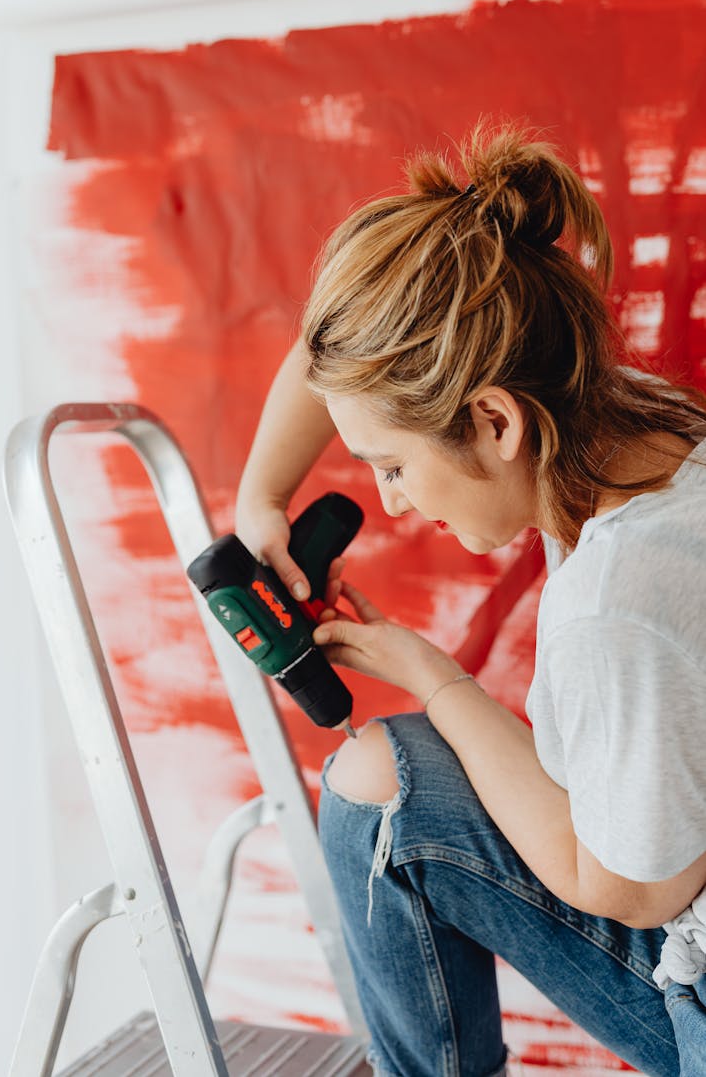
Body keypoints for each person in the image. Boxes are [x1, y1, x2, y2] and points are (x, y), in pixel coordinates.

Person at [235, 124, 706, 1076]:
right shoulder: (640, 418)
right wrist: (261, 501)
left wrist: (436, 678)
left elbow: (626, 886)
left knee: (379, 796)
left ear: (494, 420)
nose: (394, 502)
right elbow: (346, 352)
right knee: (380, 771)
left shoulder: (617, 605)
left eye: (395, 466)